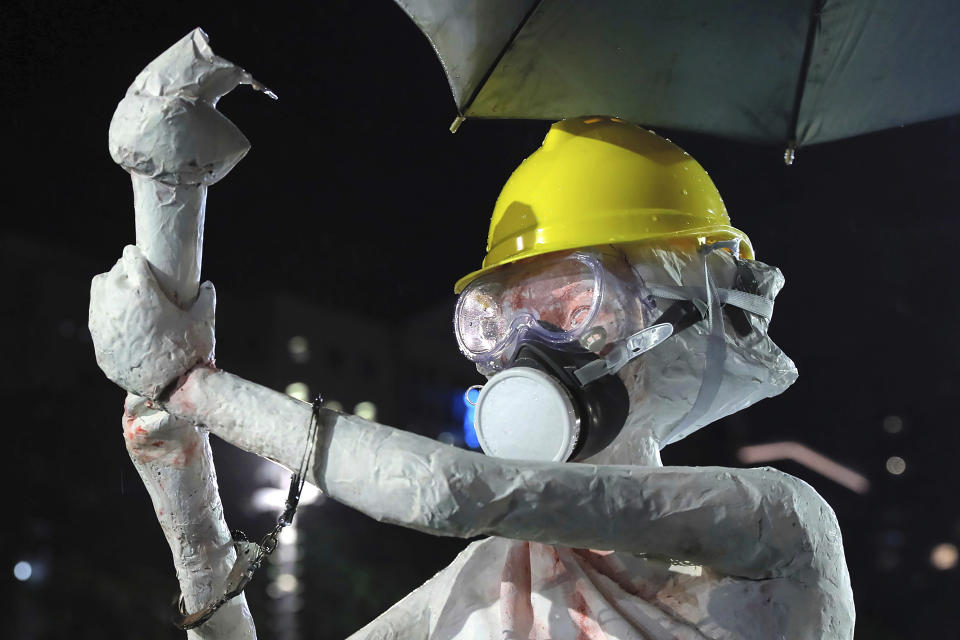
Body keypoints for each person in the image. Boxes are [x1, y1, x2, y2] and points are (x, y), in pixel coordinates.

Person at [91, 34, 855, 640]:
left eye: (572, 304)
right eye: (498, 314)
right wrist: (182, 480)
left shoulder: (782, 523)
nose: (526, 343)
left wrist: (190, 385)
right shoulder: (506, 569)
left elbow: (444, 491)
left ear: (679, 312)